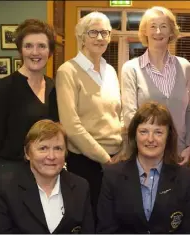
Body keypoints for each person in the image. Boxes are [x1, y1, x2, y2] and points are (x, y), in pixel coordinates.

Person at [0, 19, 58, 217]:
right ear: (20, 50)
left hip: (45, 172)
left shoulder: (53, 87)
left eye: (41, 46)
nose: (35, 52)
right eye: (28, 46)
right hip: (11, 174)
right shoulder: (4, 89)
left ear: (49, 52)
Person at [55, 11, 123, 219]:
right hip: (86, 163)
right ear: (81, 36)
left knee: (112, 220)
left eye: (105, 32)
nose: (100, 38)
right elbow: (71, 125)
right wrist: (105, 159)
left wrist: (123, 151)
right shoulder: (67, 71)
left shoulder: (110, 71)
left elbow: (118, 115)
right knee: (88, 220)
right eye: (93, 32)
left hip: (117, 159)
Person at [97, 102, 190, 234]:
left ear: (168, 137)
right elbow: (106, 230)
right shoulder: (112, 176)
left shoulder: (185, 178)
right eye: (144, 131)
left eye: (158, 132)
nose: (150, 139)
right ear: (135, 135)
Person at [0, 120, 94, 233]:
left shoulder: (81, 187)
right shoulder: (6, 188)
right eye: (43, 148)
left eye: (58, 148)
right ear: (27, 153)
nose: (51, 156)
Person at [121, 6, 190, 166]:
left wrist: (189, 146)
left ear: (171, 32)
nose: (158, 32)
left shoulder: (185, 66)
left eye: (164, 26)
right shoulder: (131, 68)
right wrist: (150, 143)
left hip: (179, 154)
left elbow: (188, 111)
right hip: (145, 152)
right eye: (153, 26)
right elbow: (129, 115)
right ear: (145, 31)